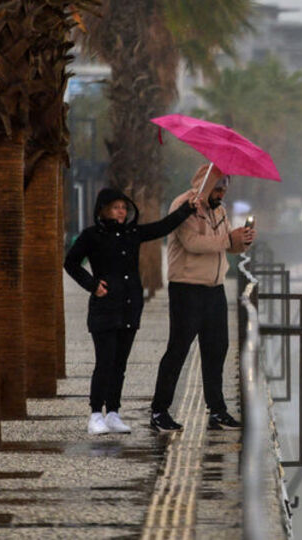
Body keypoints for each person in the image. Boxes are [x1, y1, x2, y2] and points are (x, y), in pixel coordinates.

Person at [64, 188, 196, 435]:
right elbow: (70, 263)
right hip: (104, 308)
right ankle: (95, 414)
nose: (121, 212)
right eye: (115, 207)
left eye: (124, 207)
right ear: (102, 209)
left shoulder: (133, 233)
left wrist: (188, 208)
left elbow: (163, 227)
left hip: (129, 307)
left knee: (120, 364)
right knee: (104, 361)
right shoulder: (91, 236)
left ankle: (113, 412)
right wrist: (92, 285)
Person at [149, 164, 256, 432]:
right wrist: (226, 240)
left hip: (215, 287)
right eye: (217, 188)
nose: (221, 193)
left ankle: (217, 409)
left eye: (224, 189)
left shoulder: (219, 210)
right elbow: (193, 243)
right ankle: (159, 410)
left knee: (216, 349)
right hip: (187, 287)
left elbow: (227, 245)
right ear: (205, 184)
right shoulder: (184, 205)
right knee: (178, 349)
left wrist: (241, 241)